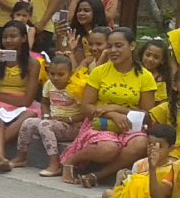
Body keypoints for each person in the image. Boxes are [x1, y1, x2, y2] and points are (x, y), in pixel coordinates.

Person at [60, 27, 157, 189]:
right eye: (110, 46)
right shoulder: (99, 72)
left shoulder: (145, 76)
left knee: (141, 143)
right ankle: (71, 160)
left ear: (132, 46)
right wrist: (111, 114)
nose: (113, 50)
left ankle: (97, 176)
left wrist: (117, 109)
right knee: (109, 148)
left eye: (118, 46)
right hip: (100, 122)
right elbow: (86, 107)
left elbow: (148, 114)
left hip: (130, 125)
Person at [11, 55, 84, 176]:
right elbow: (44, 102)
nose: (55, 78)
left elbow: (85, 112)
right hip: (53, 123)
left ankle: (55, 164)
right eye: (52, 74)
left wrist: (68, 119)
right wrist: (46, 115)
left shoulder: (76, 87)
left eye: (61, 74)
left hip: (73, 126)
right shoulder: (49, 84)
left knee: (45, 125)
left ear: (70, 74)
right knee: (28, 122)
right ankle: (21, 157)